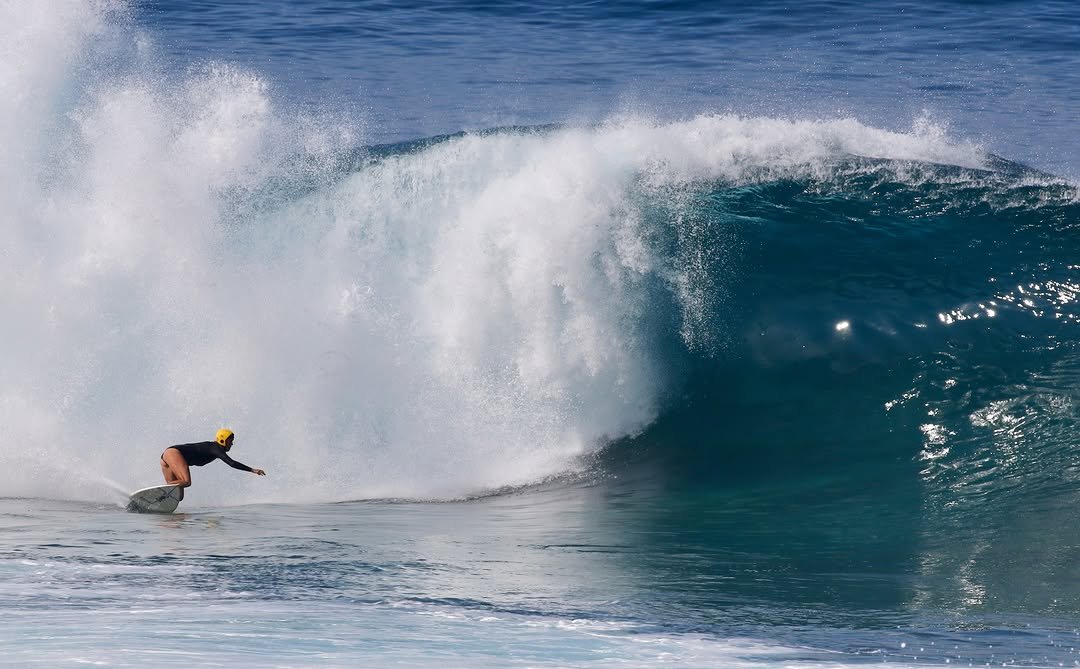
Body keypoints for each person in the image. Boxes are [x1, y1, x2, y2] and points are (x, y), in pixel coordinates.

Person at [160, 429, 266, 499]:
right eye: (230, 441)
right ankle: (159, 491)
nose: (232, 443)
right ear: (223, 440)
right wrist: (252, 470)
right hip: (173, 453)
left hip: (166, 457)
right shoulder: (216, 449)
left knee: (178, 496)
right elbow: (232, 463)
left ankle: (157, 498)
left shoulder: (214, 449)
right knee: (186, 482)